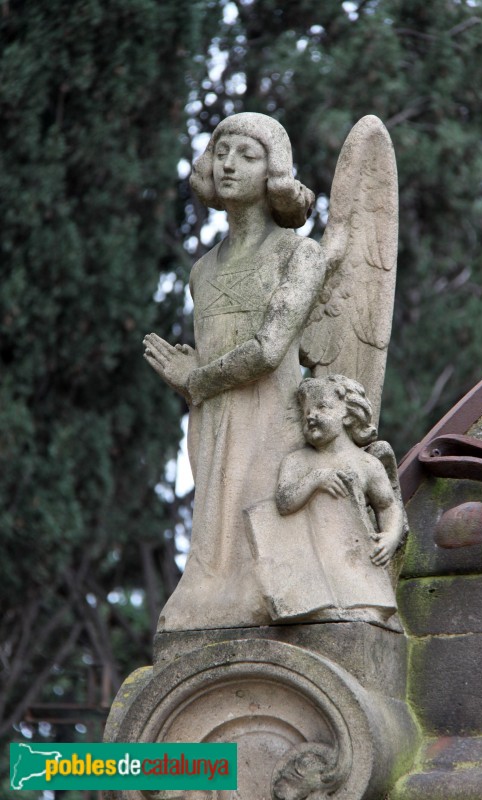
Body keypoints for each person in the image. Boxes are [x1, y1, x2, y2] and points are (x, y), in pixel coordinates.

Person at [143, 113, 326, 630]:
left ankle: (261, 597)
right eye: (221, 151)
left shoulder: (300, 254)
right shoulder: (202, 270)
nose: (228, 164)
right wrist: (191, 380)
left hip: (271, 416)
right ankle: (203, 595)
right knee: (213, 528)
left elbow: (269, 350)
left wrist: (195, 377)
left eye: (248, 155)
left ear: (275, 171)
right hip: (213, 418)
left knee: (259, 528)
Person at [275, 375, 404, 625]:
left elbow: (388, 506)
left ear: (348, 413)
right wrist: (316, 479)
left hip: (356, 560)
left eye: (322, 407)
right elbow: (284, 502)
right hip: (311, 560)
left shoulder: (368, 464)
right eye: (306, 412)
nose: (311, 416)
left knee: (366, 610)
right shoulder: (296, 462)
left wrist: (390, 537)